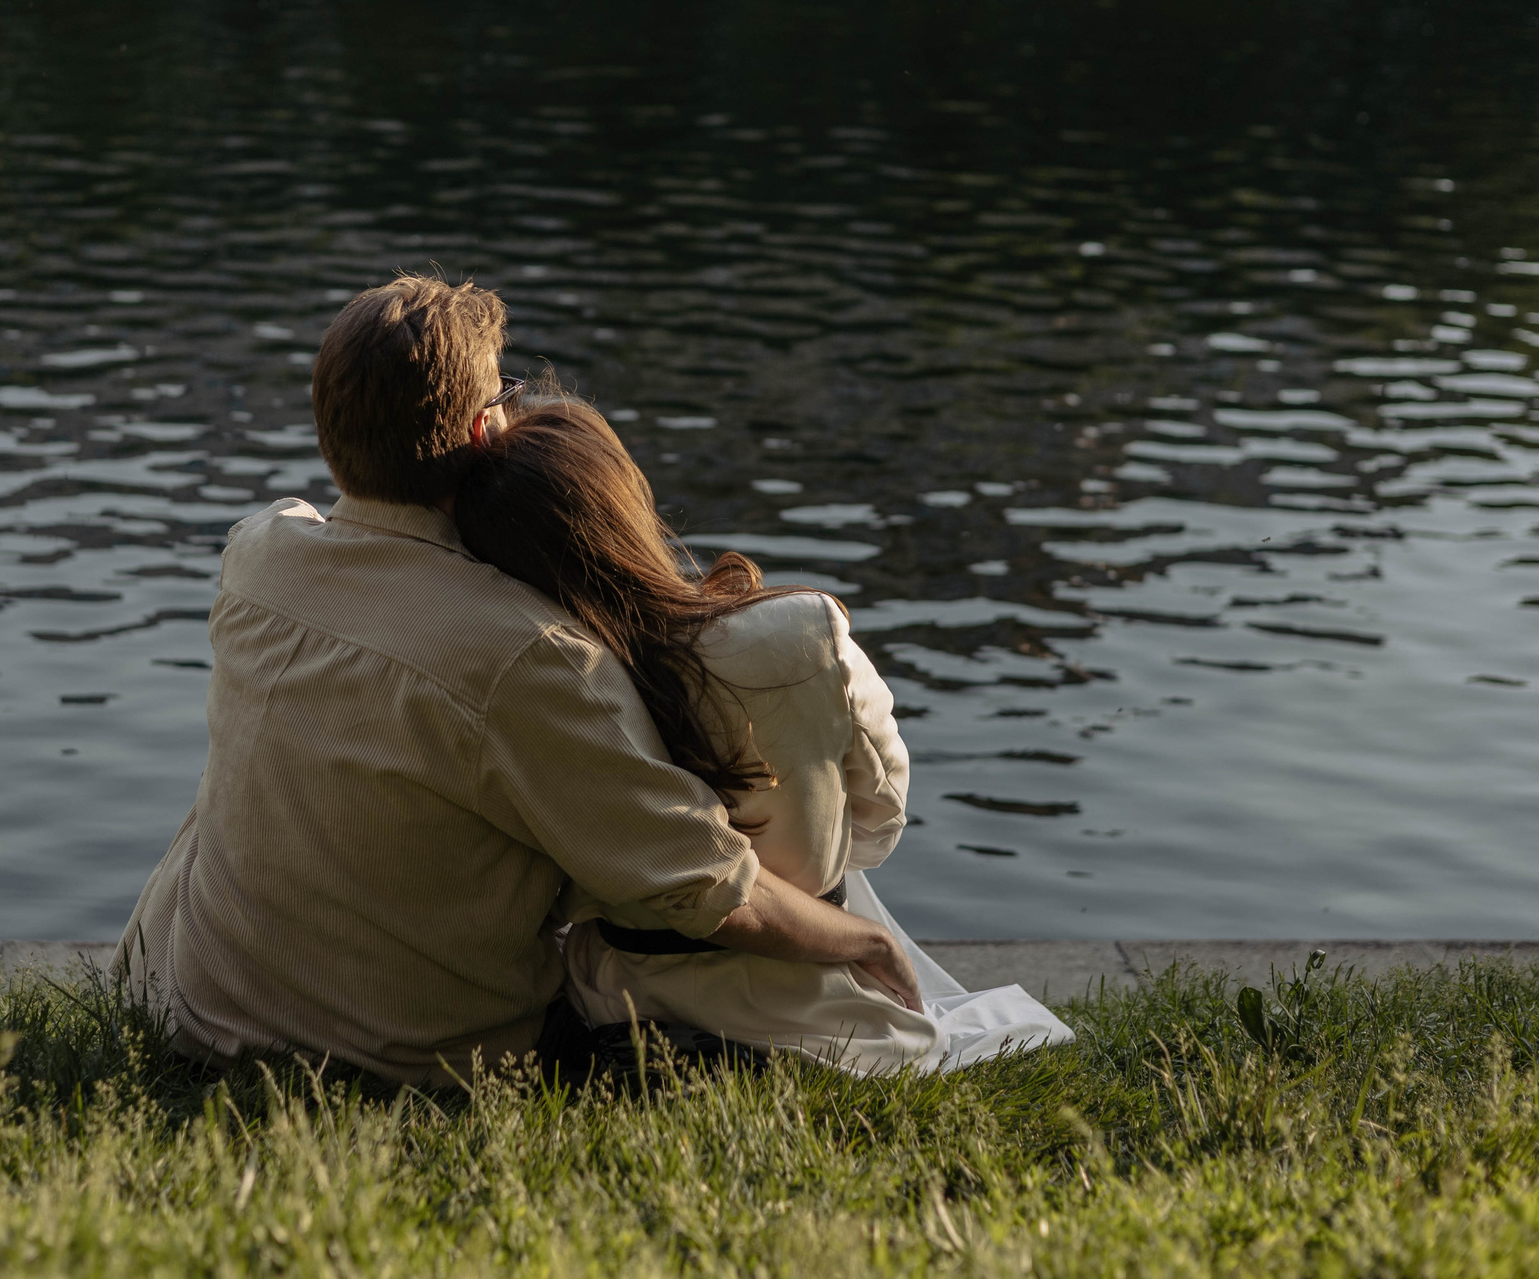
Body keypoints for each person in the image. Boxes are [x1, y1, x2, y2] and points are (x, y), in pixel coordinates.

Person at [112, 276, 918, 1086]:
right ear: (480, 427)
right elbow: (705, 885)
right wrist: (867, 940)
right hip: (393, 1061)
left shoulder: (257, 554)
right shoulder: (526, 653)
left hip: (192, 1009)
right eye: (507, 393)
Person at [456, 398, 1075, 1073]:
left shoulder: (535, 685)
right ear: (625, 495)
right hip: (818, 1003)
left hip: (620, 1001)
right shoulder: (800, 633)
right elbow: (880, 822)